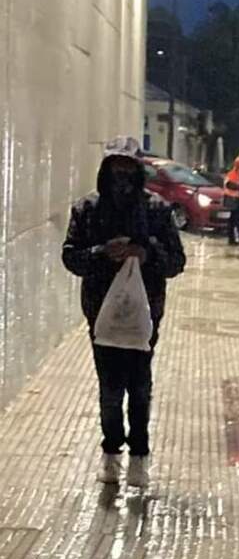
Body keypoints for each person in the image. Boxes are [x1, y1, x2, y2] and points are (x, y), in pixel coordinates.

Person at [62, 136, 186, 487]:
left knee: (140, 387)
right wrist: (102, 252)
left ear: (138, 172)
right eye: (115, 171)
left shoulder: (157, 211)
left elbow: (177, 261)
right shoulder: (88, 209)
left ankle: (140, 455)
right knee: (110, 388)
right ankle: (111, 452)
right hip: (101, 315)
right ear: (105, 171)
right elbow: (71, 256)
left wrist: (146, 253)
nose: (122, 180)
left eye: (128, 171)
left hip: (145, 316)